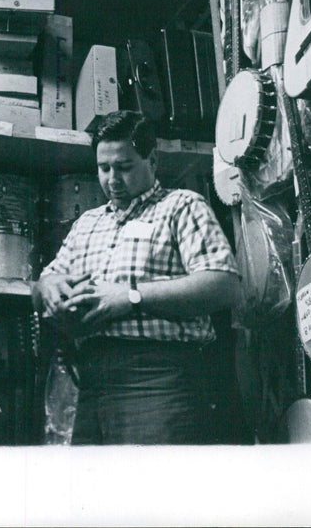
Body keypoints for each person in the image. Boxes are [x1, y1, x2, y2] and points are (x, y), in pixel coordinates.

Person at [33, 110, 241, 445]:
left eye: (124, 167)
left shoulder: (182, 207)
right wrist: (49, 287)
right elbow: (45, 281)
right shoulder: (87, 222)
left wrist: (130, 296)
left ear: (153, 160)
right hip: (88, 378)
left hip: (158, 379)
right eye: (104, 168)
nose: (112, 179)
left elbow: (224, 284)